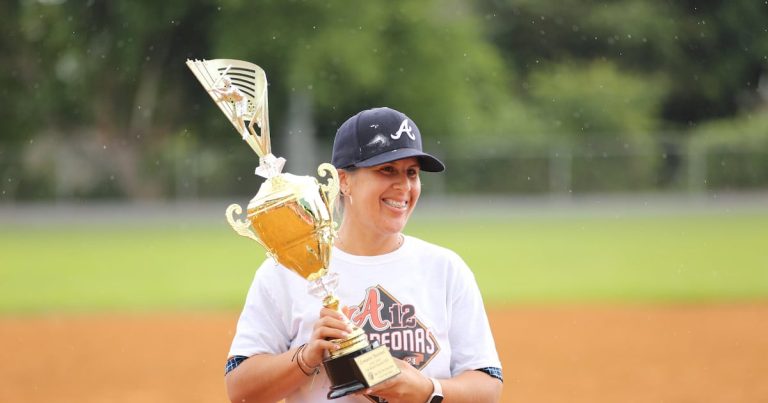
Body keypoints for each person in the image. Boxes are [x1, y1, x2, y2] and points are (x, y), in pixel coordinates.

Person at [224, 107, 503, 403]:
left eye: (412, 173)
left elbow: (488, 388)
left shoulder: (445, 269)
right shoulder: (285, 270)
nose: (404, 186)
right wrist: (306, 357)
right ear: (343, 180)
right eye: (387, 170)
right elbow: (240, 390)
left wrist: (426, 389)